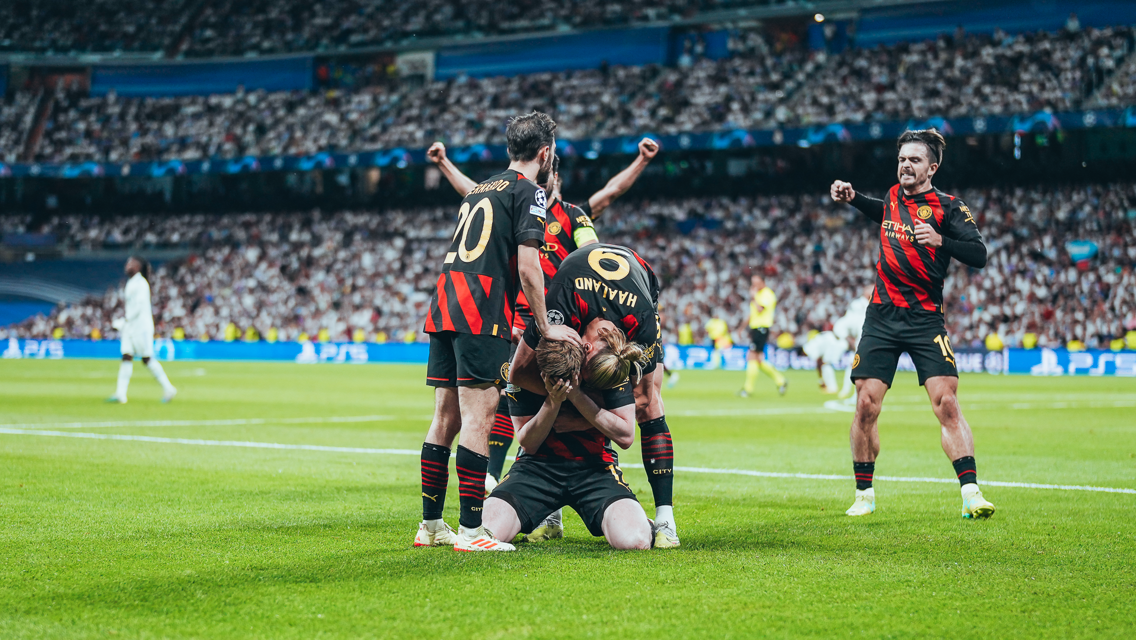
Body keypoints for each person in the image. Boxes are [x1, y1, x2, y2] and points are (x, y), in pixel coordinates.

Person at [426, 138, 659, 502]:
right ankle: (498, 475)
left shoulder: (574, 216)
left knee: (539, 394)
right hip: (512, 317)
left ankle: (541, 486)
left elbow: (596, 234)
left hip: (555, 323)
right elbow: (474, 191)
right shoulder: (515, 203)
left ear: (555, 179)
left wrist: (641, 162)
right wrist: (443, 164)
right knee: (503, 393)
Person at [415, 112, 582, 553]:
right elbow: (529, 268)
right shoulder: (530, 192)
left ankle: (431, 525)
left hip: (445, 304)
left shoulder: (483, 189)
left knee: (444, 419)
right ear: (545, 153)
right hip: (482, 310)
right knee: (479, 419)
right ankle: (471, 532)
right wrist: (546, 327)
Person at [830, 128, 996, 520]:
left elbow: (979, 253)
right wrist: (853, 199)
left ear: (932, 167)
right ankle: (864, 494)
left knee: (947, 404)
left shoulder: (949, 207)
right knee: (866, 405)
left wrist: (941, 240)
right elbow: (881, 212)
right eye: (902, 158)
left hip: (925, 318)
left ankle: (971, 493)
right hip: (882, 316)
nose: (906, 165)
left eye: (915, 160)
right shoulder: (890, 197)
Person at [510, 242, 679, 548]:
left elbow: (640, 401)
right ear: (584, 346)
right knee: (550, 367)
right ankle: (549, 509)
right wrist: (560, 398)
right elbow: (518, 374)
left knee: (650, 404)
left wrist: (580, 417)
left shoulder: (643, 326)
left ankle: (665, 519)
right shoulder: (562, 306)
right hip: (578, 277)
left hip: (641, 283)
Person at [482, 337, 652, 551]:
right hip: (535, 468)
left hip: (595, 468)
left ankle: (642, 523)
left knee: (635, 541)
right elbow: (528, 443)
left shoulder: (606, 364)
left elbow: (626, 436)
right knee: (485, 531)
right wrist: (553, 402)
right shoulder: (521, 370)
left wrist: (577, 396)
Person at [106, 256, 177, 404]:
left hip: (141, 327)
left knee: (147, 358)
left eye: (130, 263)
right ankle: (121, 394)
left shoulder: (141, 283)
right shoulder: (131, 282)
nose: (127, 265)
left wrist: (124, 320)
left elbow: (139, 307)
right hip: (130, 326)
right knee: (126, 356)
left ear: (138, 267)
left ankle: (169, 388)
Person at [738, 274, 787, 397]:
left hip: (762, 328)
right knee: (758, 360)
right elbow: (752, 313)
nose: (754, 286)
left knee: (751, 357)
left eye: (756, 283)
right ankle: (781, 380)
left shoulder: (767, 294)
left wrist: (753, 297)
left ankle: (748, 389)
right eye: (752, 283)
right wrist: (742, 327)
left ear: (762, 282)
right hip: (755, 328)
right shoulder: (759, 295)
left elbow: (760, 309)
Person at [801, 330, 846, 394]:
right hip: (831, 338)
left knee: (826, 365)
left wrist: (821, 380)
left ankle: (832, 388)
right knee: (826, 364)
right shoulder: (810, 344)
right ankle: (830, 387)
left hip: (832, 342)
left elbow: (818, 362)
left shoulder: (809, 349)